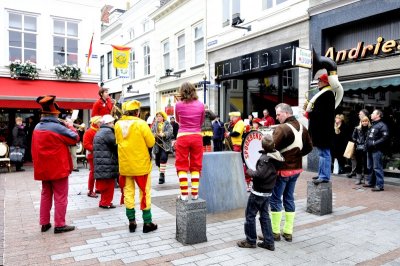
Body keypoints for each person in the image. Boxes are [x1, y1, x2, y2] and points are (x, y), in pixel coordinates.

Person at [31, 95, 79, 233]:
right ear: (55, 113)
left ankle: (44, 223)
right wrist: (70, 125)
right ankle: (60, 224)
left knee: (45, 195)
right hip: (58, 167)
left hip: (43, 168)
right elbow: (75, 138)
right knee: (60, 196)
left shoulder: (37, 127)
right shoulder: (58, 127)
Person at [269, 103, 313, 242]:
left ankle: (274, 232)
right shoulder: (303, 128)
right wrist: (296, 156)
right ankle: (288, 231)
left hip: (282, 170)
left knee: (275, 199)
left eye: (278, 114)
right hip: (296, 170)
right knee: (289, 198)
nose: (276, 117)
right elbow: (309, 148)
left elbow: (270, 148)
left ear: (287, 113)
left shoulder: (281, 129)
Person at [115, 100, 158, 233]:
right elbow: (151, 143)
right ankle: (147, 223)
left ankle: (132, 222)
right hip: (141, 165)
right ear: (137, 112)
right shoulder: (141, 123)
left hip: (125, 165)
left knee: (128, 193)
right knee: (144, 193)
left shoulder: (117, 124)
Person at [237, 135, 284, 251]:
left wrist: (249, 171)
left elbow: (260, 175)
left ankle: (250, 240)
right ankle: (269, 242)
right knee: (264, 216)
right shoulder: (276, 156)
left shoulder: (265, 159)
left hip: (258, 192)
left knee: (250, 216)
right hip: (268, 192)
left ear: (263, 145)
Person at [175, 82, 205, 201]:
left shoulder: (178, 105)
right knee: (196, 165)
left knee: (181, 165)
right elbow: (201, 122)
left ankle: (184, 194)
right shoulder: (201, 105)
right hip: (197, 136)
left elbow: (178, 120)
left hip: (183, 136)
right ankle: (194, 193)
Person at [307, 73, 335, 184]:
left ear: (325, 82)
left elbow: (320, 114)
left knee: (324, 154)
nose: (318, 83)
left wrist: (310, 111)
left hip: (323, 131)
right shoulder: (326, 94)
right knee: (322, 153)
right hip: (323, 130)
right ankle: (321, 174)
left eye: (319, 81)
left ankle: (324, 176)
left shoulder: (326, 94)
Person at [93, 115, 119, 208]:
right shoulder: (108, 132)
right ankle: (106, 202)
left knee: (105, 183)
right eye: (112, 122)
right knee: (109, 184)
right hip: (108, 161)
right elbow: (115, 145)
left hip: (101, 161)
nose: (113, 124)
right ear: (109, 123)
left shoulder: (100, 131)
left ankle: (103, 201)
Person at [364, 109, 389, 191]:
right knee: (370, 167)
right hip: (370, 149)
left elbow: (385, 137)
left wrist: (374, 143)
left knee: (377, 167)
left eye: (373, 113)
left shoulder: (382, 125)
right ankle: (371, 182)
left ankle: (379, 185)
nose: (371, 114)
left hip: (377, 150)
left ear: (378, 115)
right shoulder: (373, 125)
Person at [225, 112, 248, 188]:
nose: (231, 118)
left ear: (236, 117)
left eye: (232, 117)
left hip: (238, 144)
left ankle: (239, 175)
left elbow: (237, 133)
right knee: (235, 160)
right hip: (235, 144)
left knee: (237, 160)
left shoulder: (240, 123)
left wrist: (229, 134)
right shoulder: (236, 123)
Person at [151, 111, 173, 184]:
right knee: (157, 162)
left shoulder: (167, 124)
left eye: (160, 116)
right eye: (157, 116)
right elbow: (151, 132)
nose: (158, 118)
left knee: (163, 158)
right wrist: (153, 135)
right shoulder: (154, 125)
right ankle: (162, 171)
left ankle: (161, 175)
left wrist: (164, 134)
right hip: (157, 145)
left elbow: (170, 132)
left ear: (163, 117)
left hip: (165, 145)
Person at [347, 109, 370, 178]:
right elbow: (354, 132)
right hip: (356, 143)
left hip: (365, 145)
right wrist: (356, 141)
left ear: (364, 114)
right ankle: (354, 171)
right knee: (353, 157)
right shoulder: (357, 121)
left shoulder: (368, 123)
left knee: (364, 160)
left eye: (360, 114)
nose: (359, 115)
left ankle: (363, 173)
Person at [83, 116, 102, 198]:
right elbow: (86, 144)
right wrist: (97, 149)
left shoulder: (99, 130)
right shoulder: (89, 132)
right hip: (92, 155)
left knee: (98, 172)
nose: (101, 123)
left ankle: (97, 188)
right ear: (95, 123)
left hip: (99, 155)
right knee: (93, 173)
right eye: (100, 122)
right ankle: (90, 190)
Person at [352, 116, 371, 185]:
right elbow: (353, 137)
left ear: (368, 122)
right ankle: (358, 179)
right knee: (359, 164)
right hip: (359, 148)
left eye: (366, 121)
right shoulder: (357, 128)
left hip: (367, 148)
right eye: (363, 121)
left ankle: (366, 179)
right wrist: (357, 141)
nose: (364, 122)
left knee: (366, 164)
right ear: (361, 122)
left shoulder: (370, 129)